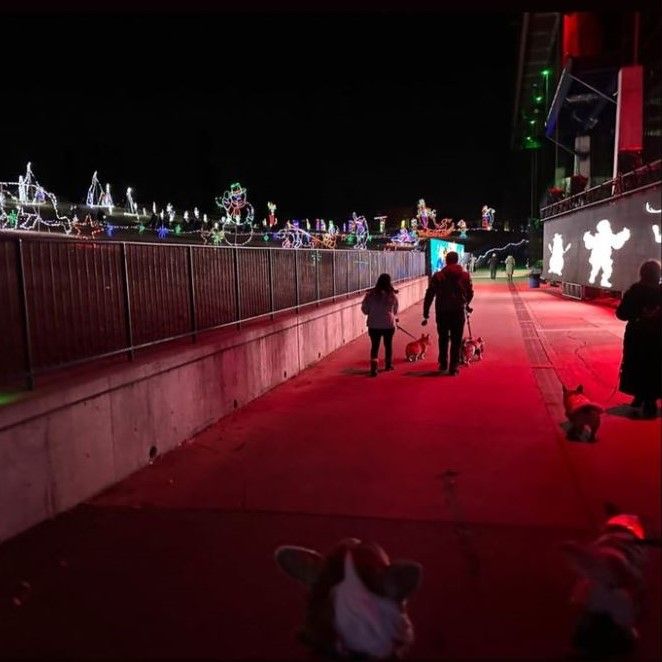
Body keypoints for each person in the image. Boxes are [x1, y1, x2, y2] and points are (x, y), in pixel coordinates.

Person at [615, 260, 662, 418]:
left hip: (637, 335)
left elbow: (621, 314)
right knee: (655, 366)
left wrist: (638, 314)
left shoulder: (635, 291)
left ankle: (640, 395)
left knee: (637, 364)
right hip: (657, 336)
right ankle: (650, 399)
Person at [422, 251, 474, 375]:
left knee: (443, 338)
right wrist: (466, 303)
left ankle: (443, 363)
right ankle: (454, 366)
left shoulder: (438, 276)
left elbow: (429, 294)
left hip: (442, 311)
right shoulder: (465, 276)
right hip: (458, 311)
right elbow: (470, 293)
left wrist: (426, 312)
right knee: (456, 340)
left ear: (446, 261)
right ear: (457, 261)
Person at [361, 273, 399, 377]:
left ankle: (374, 368)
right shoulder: (392, 295)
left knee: (375, 346)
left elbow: (365, 310)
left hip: (373, 325)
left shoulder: (370, 295)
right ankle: (388, 364)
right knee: (388, 345)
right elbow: (395, 310)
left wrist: (373, 312)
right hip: (388, 325)